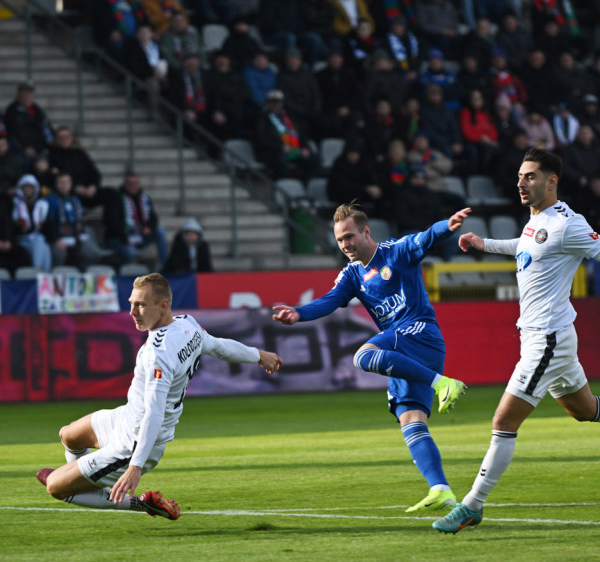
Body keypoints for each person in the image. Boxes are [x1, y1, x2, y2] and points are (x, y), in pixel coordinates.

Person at [433, 148, 600, 535]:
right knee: (586, 409)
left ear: (551, 181)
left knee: (504, 421)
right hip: (543, 337)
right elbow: (524, 248)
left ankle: (472, 505)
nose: (521, 183)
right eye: (520, 176)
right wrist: (483, 243)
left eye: (530, 177)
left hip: (548, 341)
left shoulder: (568, 224)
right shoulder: (536, 221)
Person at [272, 201, 469, 513]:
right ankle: (440, 488)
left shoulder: (395, 251)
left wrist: (447, 225)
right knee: (411, 420)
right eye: (340, 240)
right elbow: (329, 301)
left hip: (419, 333)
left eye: (350, 236)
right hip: (403, 350)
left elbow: (426, 237)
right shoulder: (351, 274)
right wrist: (298, 313)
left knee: (363, 356)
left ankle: (444, 383)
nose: (346, 244)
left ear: (366, 231)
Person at [39, 273, 283, 517]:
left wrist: (135, 465)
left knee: (54, 487)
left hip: (134, 444)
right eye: (131, 303)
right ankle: (82, 482)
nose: (132, 312)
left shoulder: (158, 354)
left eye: (141, 305)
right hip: (125, 418)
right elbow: (218, 346)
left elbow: (154, 411)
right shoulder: (187, 324)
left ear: (163, 305)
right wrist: (258, 354)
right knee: (69, 435)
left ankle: (139, 502)